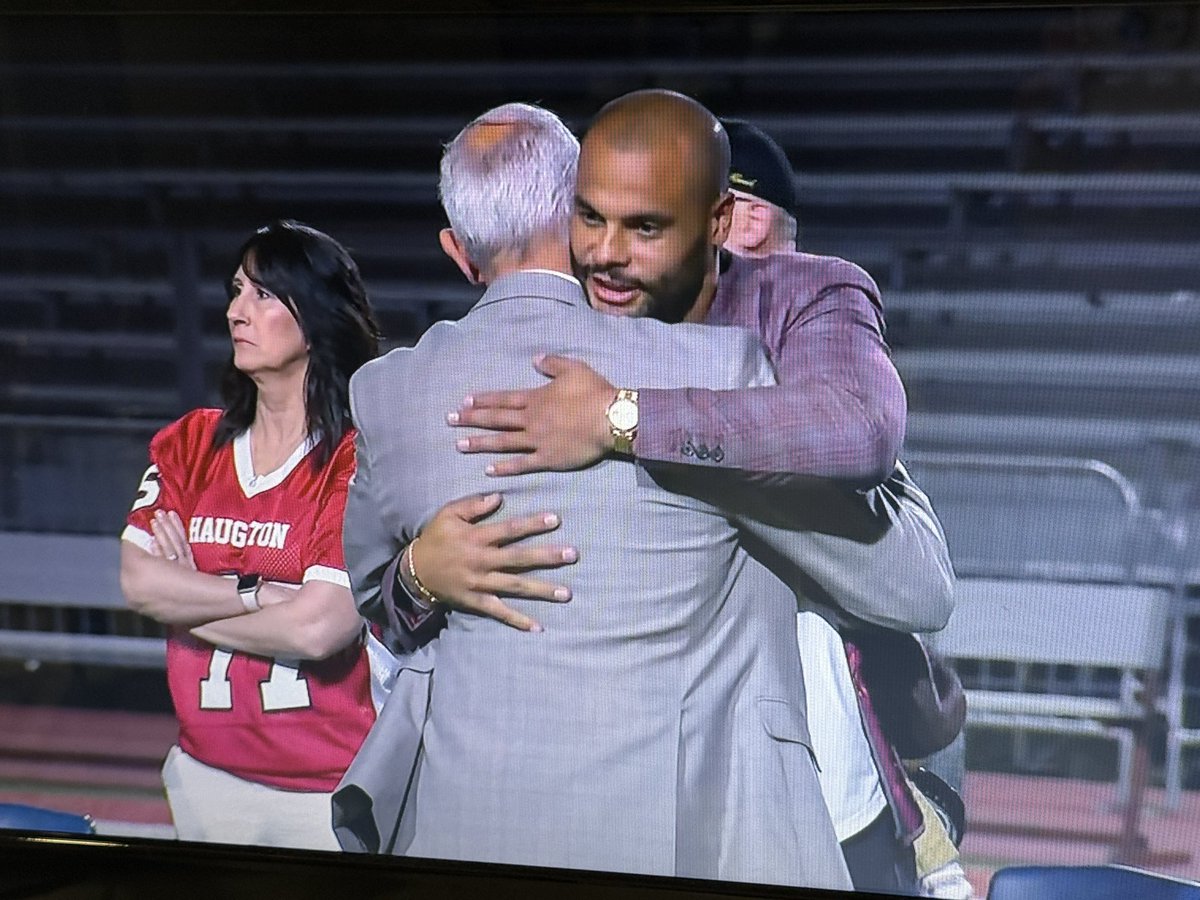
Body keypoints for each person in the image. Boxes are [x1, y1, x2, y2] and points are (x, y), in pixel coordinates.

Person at [334, 99, 951, 889]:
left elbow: (869, 455)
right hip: (684, 809)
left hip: (773, 769)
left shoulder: (785, 312)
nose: (608, 253)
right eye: (591, 219)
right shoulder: (664, 357)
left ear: (715, 224)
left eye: (644, 227)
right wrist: (422, 572)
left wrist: (630, 420)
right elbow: (383, 604)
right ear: (567, 210)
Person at [119, 220, 385, 850]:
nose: (236, 311)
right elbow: (140, 583)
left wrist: (189, 598)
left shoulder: (356, 458)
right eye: (237, 290)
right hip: (204, 773)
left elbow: (317, 629)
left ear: (315, 314)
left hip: (327, 786)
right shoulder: (192, 443)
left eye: (263, 294)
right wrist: (258, 594)